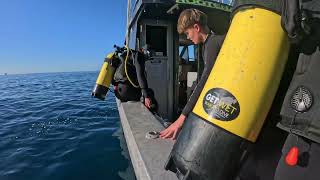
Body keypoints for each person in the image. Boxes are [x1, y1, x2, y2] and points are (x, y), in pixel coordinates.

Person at [160, 8, 225, 139]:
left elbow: (205, 80)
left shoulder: (213, 44)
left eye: (188, 33)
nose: (188, 37)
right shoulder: (206, 46)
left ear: (196, 27)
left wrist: (181, 118)